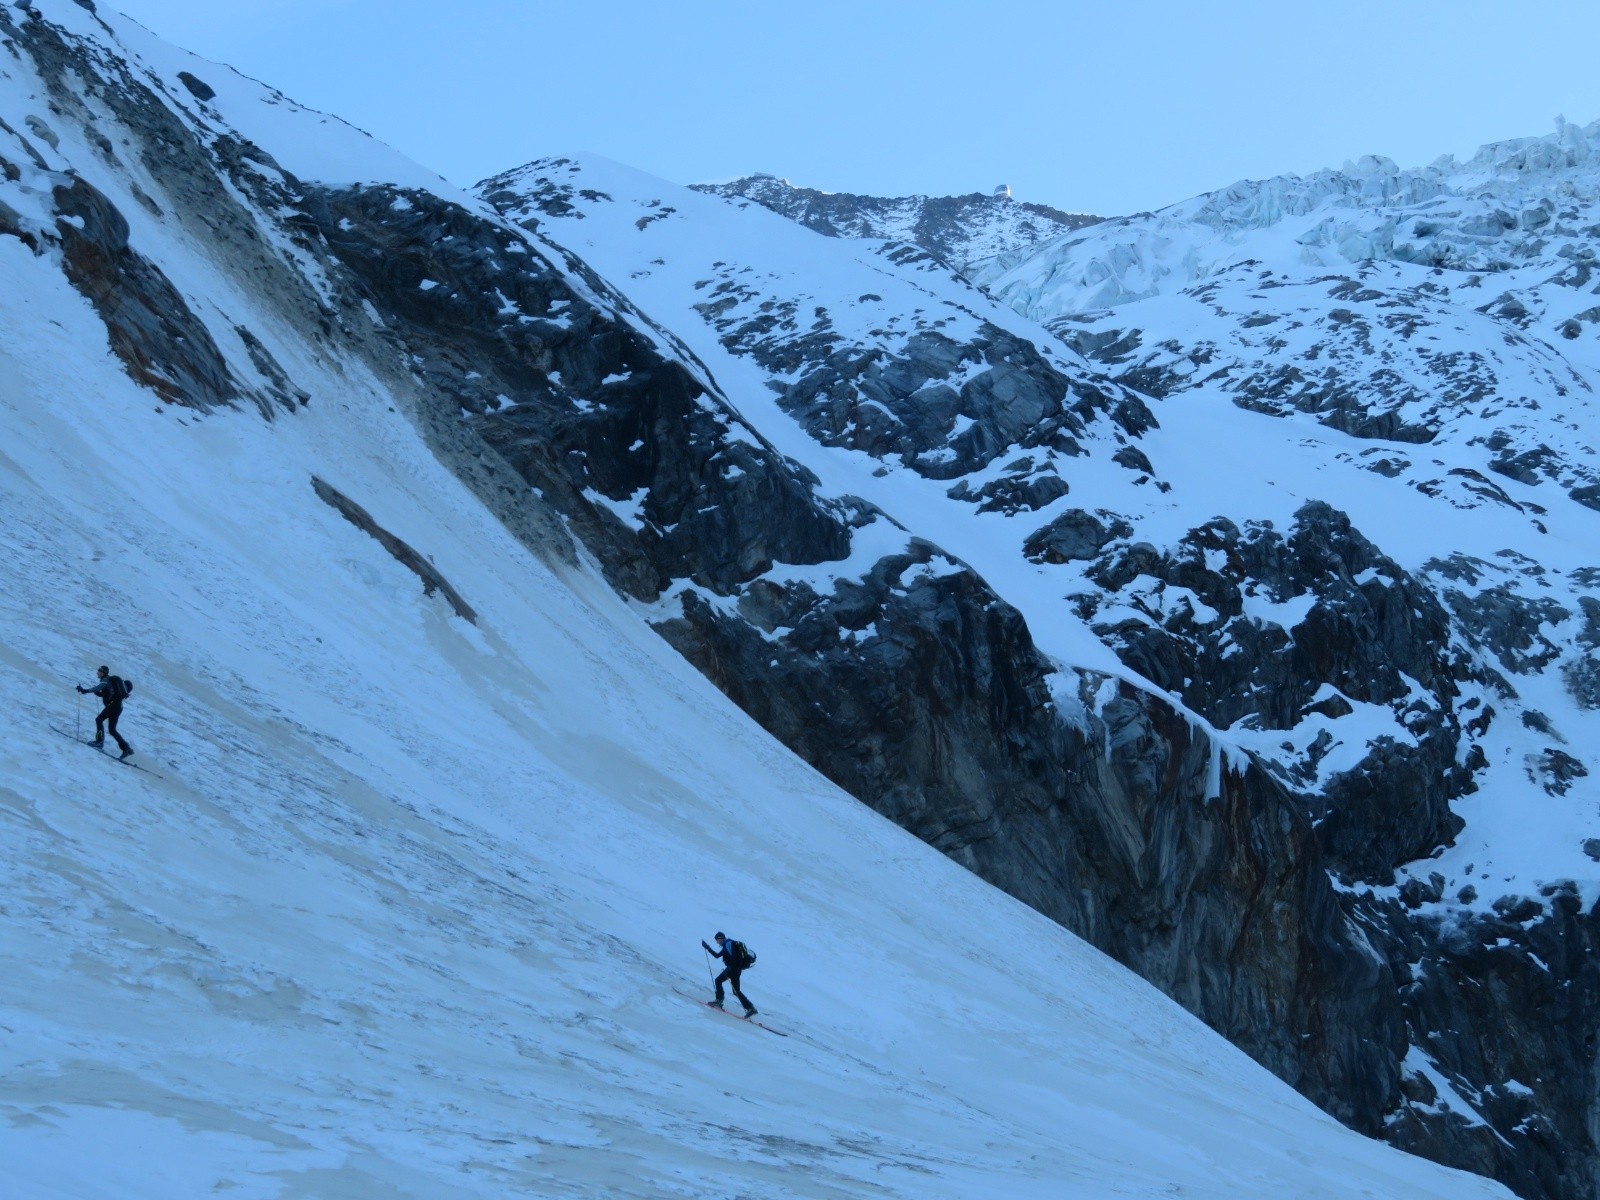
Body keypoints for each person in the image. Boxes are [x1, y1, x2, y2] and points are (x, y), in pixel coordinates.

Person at [78, 665, 133, 759]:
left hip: (113, 706)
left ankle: (99, 742)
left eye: (98, 671)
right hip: (118, 707)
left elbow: (98, 687)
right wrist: (99, 694)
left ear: (102, 673)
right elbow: (107, 693)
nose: (97, 673)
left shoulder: (106, 680)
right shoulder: (110, 682)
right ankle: (126, 749)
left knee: (99, 720)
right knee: (112, 729)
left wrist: (85, 691)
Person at [701, 931, 756, 1016]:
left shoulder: (728, 944)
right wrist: (707, 947)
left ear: (721, 938)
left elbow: (733, 956)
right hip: (737, 970)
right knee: (736, 991)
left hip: (732, 969)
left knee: (718, 980)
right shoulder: (728, 944)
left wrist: (730, 966)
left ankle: (719, 1000)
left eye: (717, 940)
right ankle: (750, 1008)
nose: (717, 942)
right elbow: (717, 955)